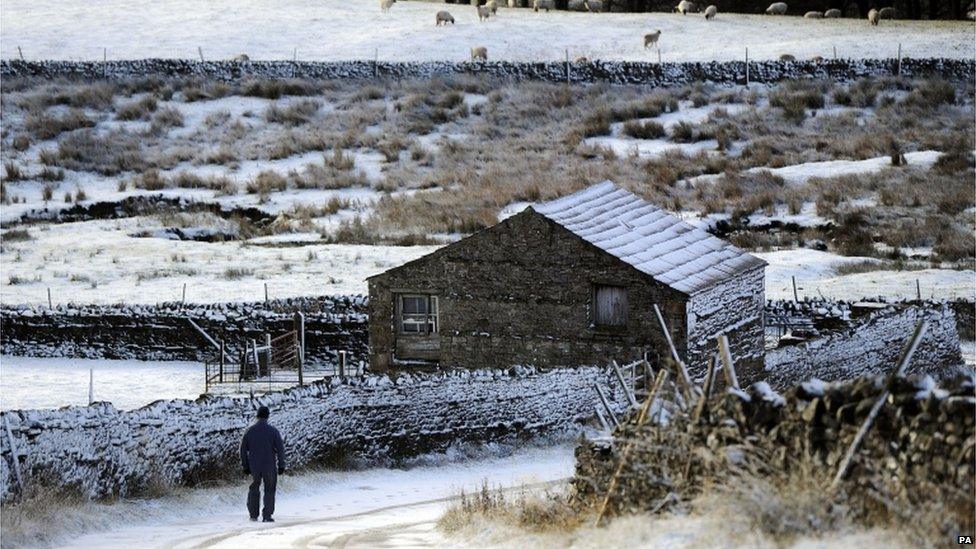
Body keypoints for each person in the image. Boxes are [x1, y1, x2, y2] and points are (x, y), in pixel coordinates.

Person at [240, 405, 286, 522]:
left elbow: (243, 449)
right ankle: (267, 515)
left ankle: (253, 514)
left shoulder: (249, 431)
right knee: (270, 489)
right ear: (267, 416)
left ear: (257, 416)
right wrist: (281, 465)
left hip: (254, 466)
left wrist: (245, 466)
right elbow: (280, 449)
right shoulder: (273, 431)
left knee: (254, 488)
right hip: (269, 465)